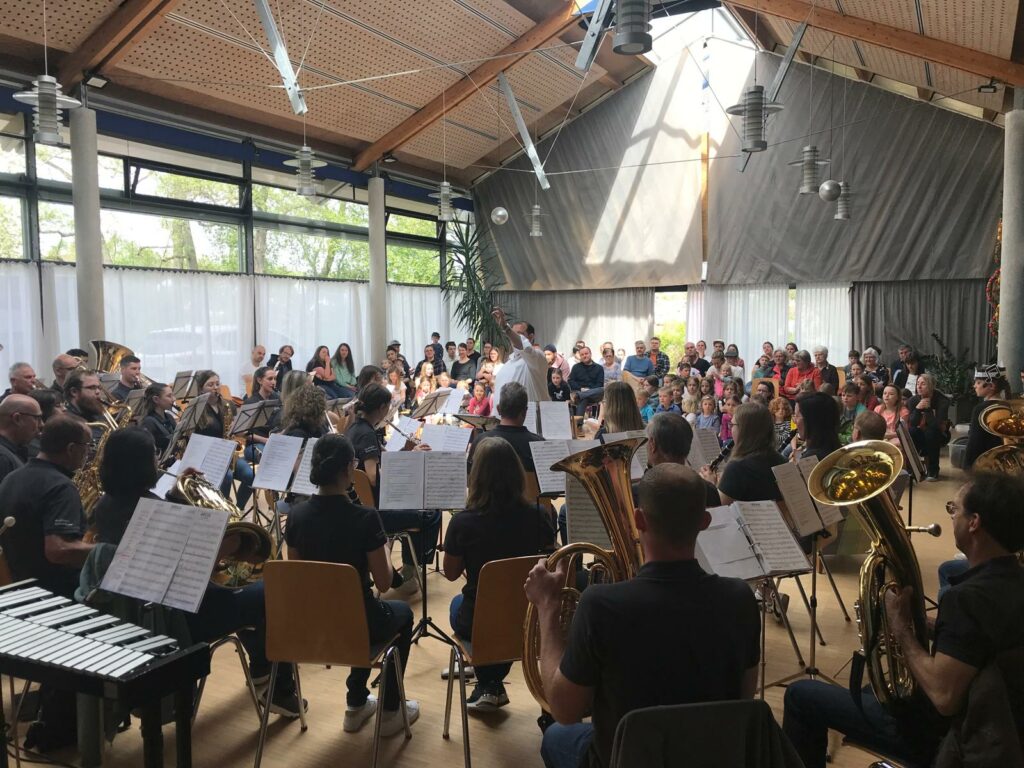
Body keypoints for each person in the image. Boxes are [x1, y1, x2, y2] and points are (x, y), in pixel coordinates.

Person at [784, 472, 1024, 768]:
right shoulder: (1012, 579)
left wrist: (900, 629)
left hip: (942, 736)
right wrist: (928, 624)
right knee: (873, 690)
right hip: (1003, 724)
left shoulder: (966, 599)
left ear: (974, 523)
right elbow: (976, 644)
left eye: (954, 509)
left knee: (799, 696)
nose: (950, 517)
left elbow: (943, 695)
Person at [528, 463, 759, 768]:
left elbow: (564, 710)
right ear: (705, 521)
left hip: (622, 758)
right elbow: (743, 699)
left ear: (638, 520)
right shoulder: (740, 598)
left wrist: (547, 606)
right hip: (711, 756)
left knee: (556, 735)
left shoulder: (601, 605)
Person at [91, 427, 303, 716]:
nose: (158, 459)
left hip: (140, 610)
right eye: (154, 454)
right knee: (271, 590)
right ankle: (278, 689)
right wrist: (228, 544)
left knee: (246, 594)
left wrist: (175, 491)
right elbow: (195, 570)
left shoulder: (106, 504)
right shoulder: (152, 509)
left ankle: (262, 666)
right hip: (177, 618)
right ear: (142, 464)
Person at [284, 433, 417, 732]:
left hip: (314, 628)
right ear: (347, 470)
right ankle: (391, 710)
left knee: (362, 609)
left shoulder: (295, 516)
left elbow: (298, 576)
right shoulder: (365, 518)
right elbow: (384, 583)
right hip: (356, 625)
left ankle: (357, 703)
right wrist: (382, 541)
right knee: (401, 614)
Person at [443, 438, 555, 709]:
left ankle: (488, 682)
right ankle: (490, 681)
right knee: (507, 611)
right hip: (531, 617)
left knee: (460, 605)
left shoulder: (463, 522)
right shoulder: (540, 515)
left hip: (481, 620)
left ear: (475, 475)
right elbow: (551, 561)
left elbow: (449, 573)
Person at [346, 383, 440, 583]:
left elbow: (383, 461)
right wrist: (411, 458)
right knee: (431, 513)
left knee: (420, 506)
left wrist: (406, 451)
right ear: (381, 408)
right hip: (378, 512)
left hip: (360, 507)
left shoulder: (355, 428)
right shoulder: (367, 434)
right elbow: (372, 476)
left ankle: (410, 565)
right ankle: (410, 569)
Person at [0, 416, 94, 597]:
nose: (88, 453)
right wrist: (105, 551)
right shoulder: (61, 486)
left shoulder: (13, 477)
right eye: (87, 446)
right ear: (71, 449)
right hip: (53, 594)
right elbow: (58, 550)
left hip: (16, 586)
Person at [701, 403, 785, 505]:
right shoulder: (782, 460)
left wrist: (710, 484)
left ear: (744, 430)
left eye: (732, 425)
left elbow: (719, 506)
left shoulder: (738, 467)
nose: (731, 430)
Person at [470, 381, 545, 473]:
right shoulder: (539, 444)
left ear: (498, 409)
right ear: (525, 411)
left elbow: (470, 478)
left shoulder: (480, 440)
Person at [491, 309, 550, 403]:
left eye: (519, 334)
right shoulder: (506, 365)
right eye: (512, 333)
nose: (512, 336)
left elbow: (525, 347)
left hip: (532, 416)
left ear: (531, 337)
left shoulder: (538, 357)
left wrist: (506, 328)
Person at [963, 364, 1009, 469]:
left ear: (991, 386)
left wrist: (968, 466)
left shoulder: (981, 409)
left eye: (978, 382)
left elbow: (975, 442)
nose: (975, 386)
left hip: (985, 463)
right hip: (1004, 462)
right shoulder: (1008, 406)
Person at [0, 394, 42, 483]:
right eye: (37, 418)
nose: (41, 424)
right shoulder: (3, 459)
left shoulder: (11, 453)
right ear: (17, 419)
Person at [793, 391, 841, 461]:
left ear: (811, 421)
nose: (795, 421)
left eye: (797, 416)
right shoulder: (835, 448)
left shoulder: (812, 458)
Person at [63, 369, 107, 442]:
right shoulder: (66, 422)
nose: (98, 392)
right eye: (92, 388)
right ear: (74, 392)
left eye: (99, 387)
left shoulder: (96, 413)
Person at [138, 381, 177, 456]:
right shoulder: (148, 422)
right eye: (169, 396)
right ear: (156, 399)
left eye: (173, 395)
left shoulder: (169, 417)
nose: (174, 399)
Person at [568, 347, 604, 417]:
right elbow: (570, 381)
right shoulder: (576, 367)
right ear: (580, 356)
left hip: (593, 394)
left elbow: (599, 384)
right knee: (584, 398)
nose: (584, 356)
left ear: (590, 354)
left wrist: (588, 391)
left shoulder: (599, 368)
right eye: (582, 354)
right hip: (580, 392)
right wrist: (581, 389)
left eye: (586, 353)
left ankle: (580, 396)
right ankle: (579, 424)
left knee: (602, 389)